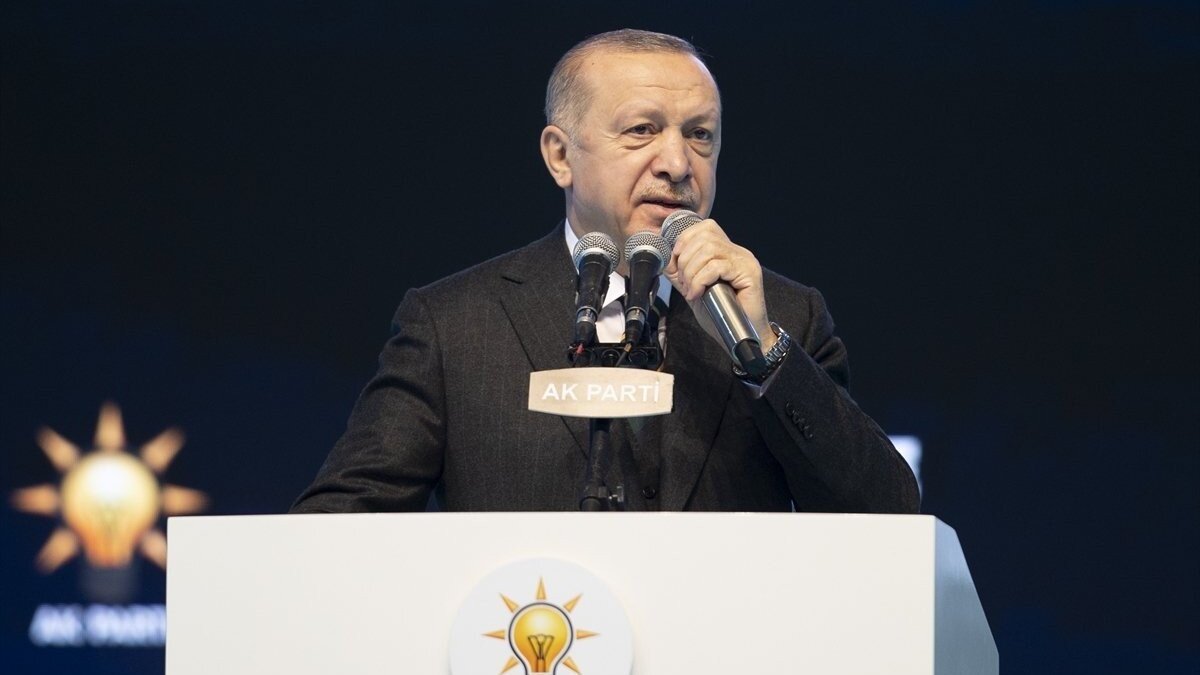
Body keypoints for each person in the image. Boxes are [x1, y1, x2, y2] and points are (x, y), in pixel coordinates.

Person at [290, 29, 919, 514]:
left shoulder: (784, 315)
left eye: (700, 135)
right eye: (642, 130)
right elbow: (338, 526)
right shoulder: (454, 325)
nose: (677, 163)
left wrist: (762, 353)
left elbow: (888, 515)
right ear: (560, 156)